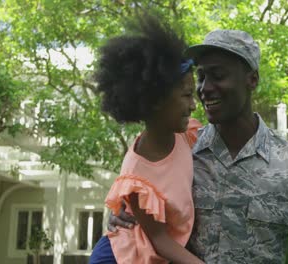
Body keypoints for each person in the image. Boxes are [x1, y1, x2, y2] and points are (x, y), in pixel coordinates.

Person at [108, 29, 288, 263]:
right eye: (201, 77)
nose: (205, 88)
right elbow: (143, 208)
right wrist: (123, 216)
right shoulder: (180, 151)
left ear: (252, 80)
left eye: (218, 76)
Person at [89, 14, 204, 264]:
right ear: (156, 101)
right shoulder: (136, 176)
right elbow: (161, 241)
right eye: (186, 95)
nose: (194, 105)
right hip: (118, 257)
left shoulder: (187, 135)